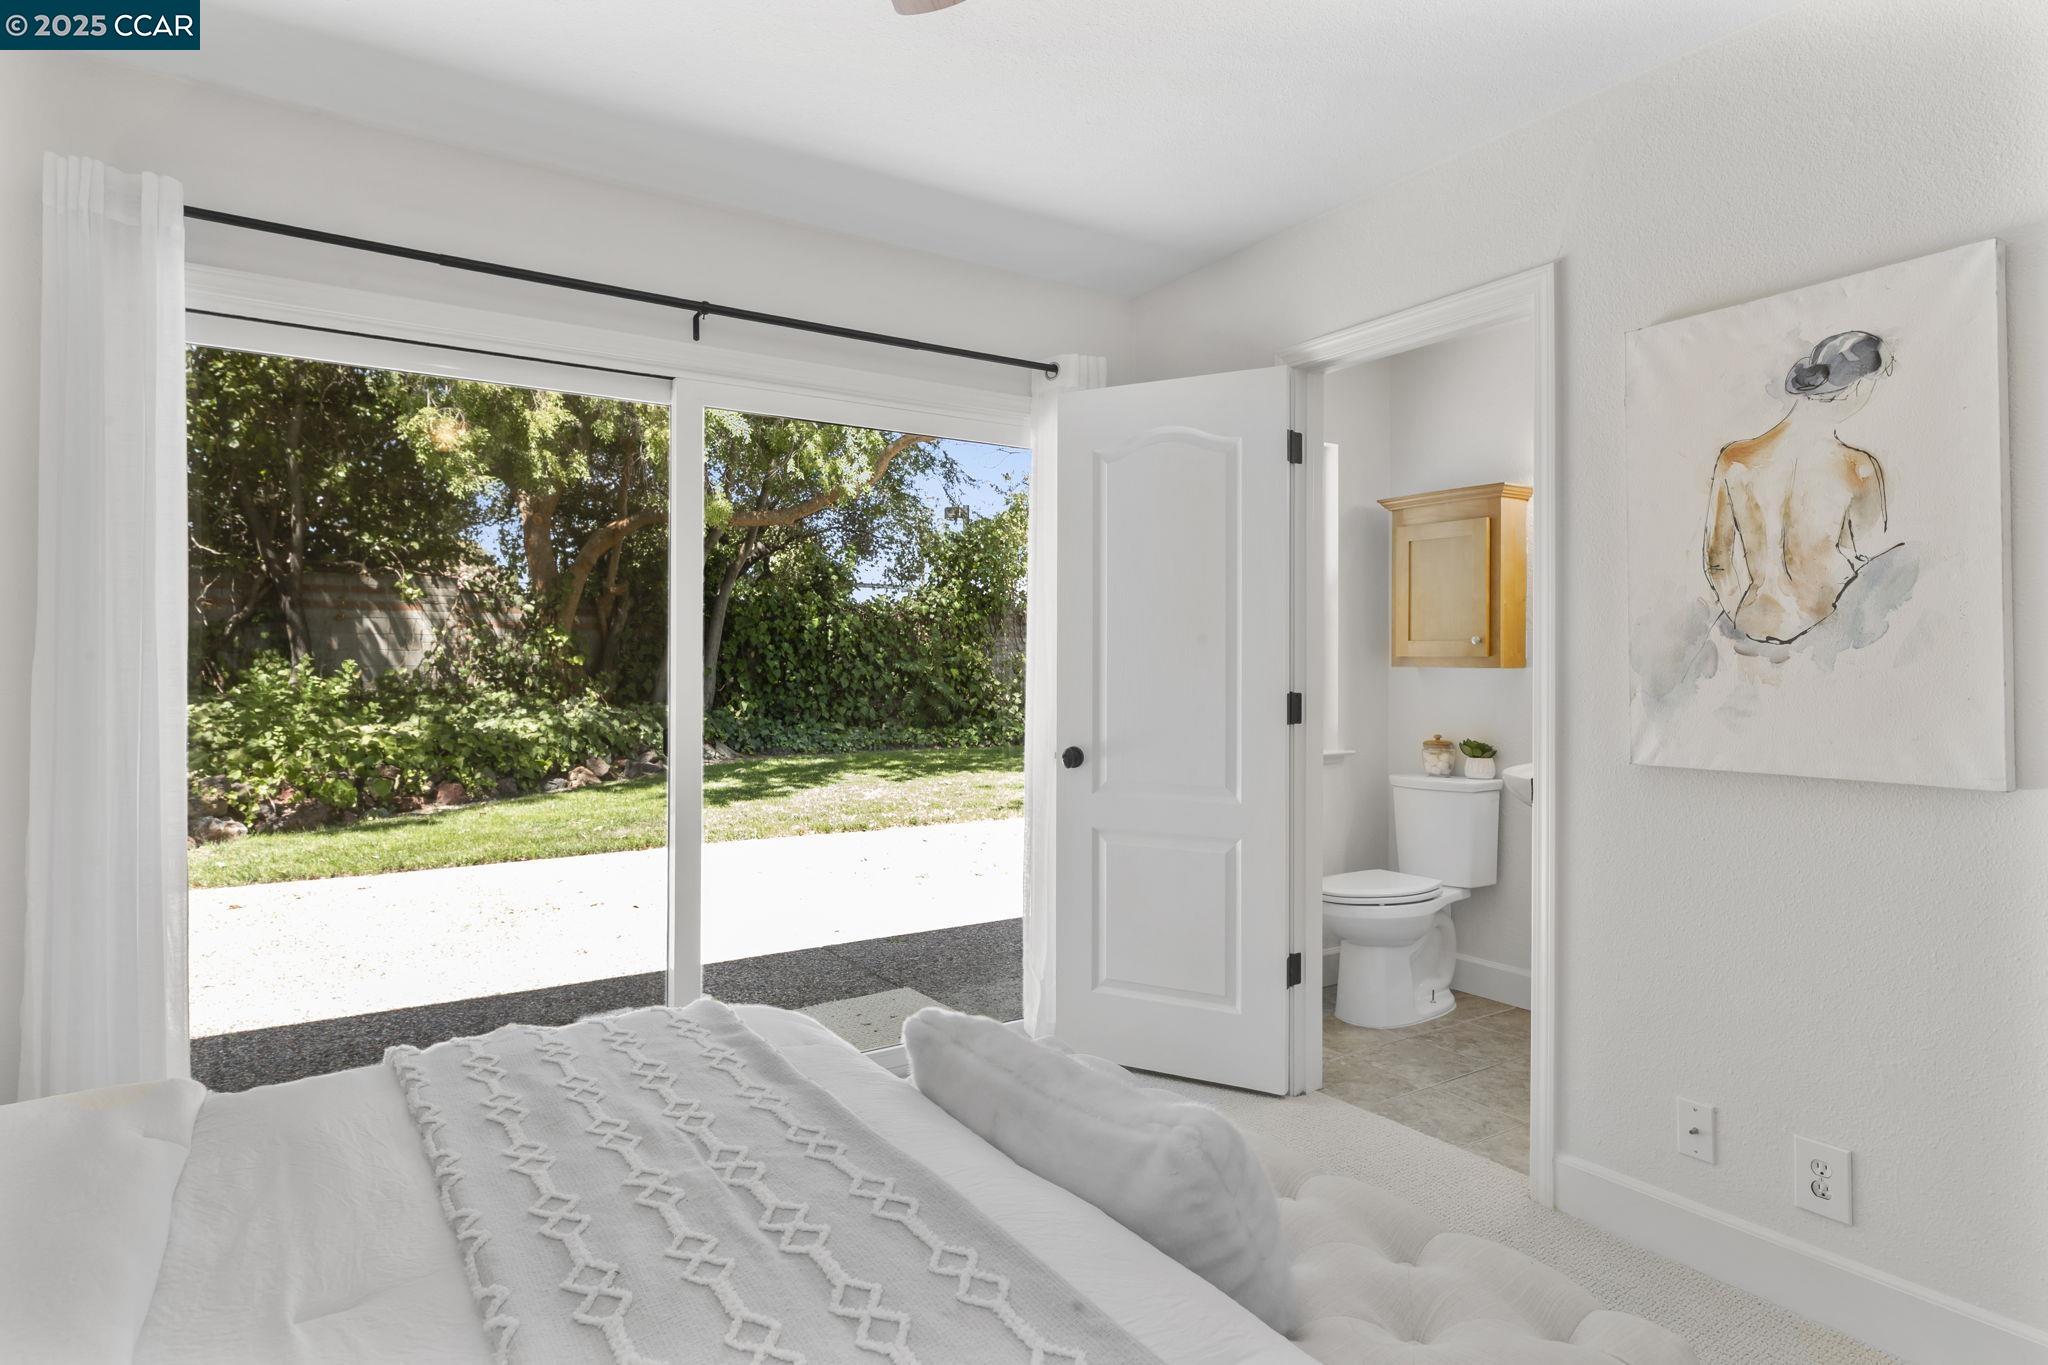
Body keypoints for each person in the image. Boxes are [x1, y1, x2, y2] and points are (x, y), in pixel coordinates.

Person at [1703, 330, 1894, 644]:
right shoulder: (1857, 469)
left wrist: (1738, 615)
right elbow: (1864, 563)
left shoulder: (1735, 460)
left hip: (1753, 623)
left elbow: (1717, 560)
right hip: (1823, 631)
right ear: (1854, 389)